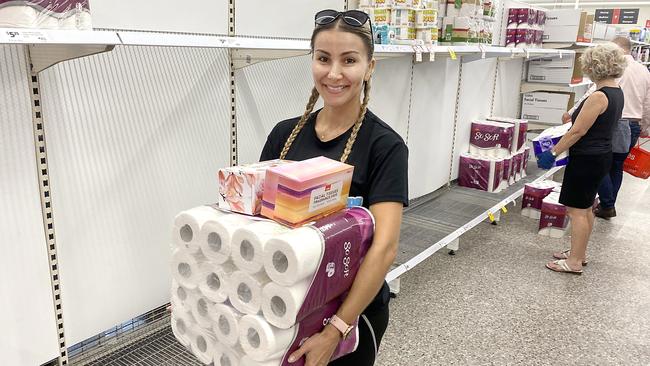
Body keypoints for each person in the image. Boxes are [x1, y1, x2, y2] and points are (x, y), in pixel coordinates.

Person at [259, 9, 408, 365]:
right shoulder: (284, 135)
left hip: (349, 318)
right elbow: (258, 221)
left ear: (370, 67)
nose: (334, 73)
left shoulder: (384, 146)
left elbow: (384, 248)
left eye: (350, 60)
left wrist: (334, 331)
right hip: (285, 309)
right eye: (324, 58)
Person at [538, 43, 626, 274]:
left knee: (576, 210)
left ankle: (574, 262)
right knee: (587, 208)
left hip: (587, 159)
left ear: (593, 65)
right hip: (601, 156)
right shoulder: (616, 91)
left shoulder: (598, 96)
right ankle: (579, 253)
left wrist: (553, 152)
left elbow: (578, 131)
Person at [562, 37, 650, 219]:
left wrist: (571, 113)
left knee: (599, 168)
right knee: (616, 167)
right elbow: (648, 103)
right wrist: (645, 125)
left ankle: (607, 204)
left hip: (605, 130)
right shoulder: (642, 72)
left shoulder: (607, 82)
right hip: (631, 124)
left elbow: (591, 98)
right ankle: (607, 205)